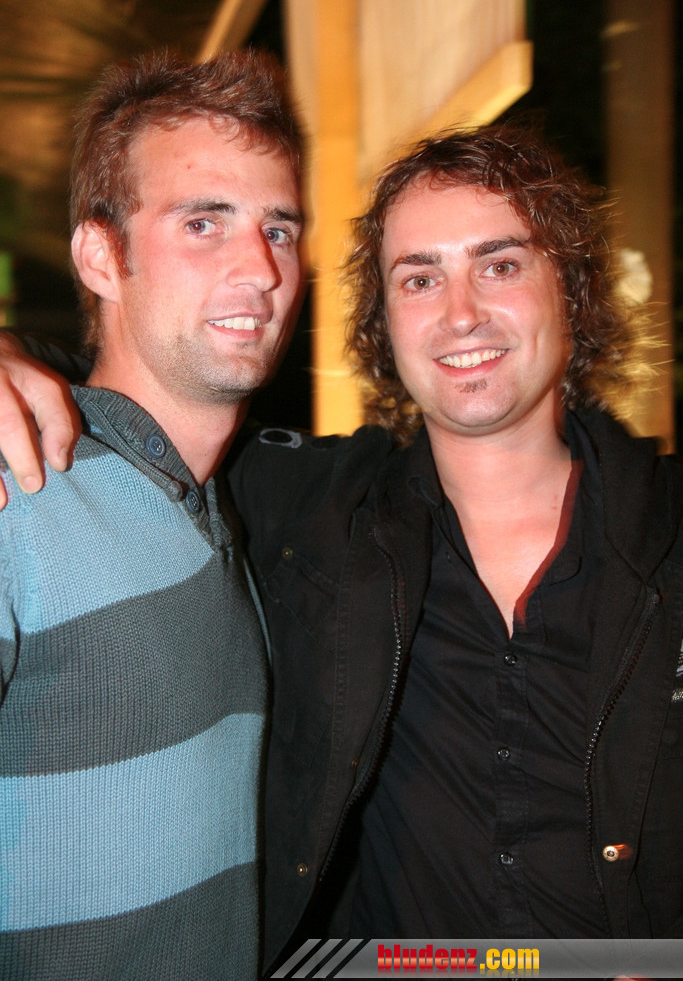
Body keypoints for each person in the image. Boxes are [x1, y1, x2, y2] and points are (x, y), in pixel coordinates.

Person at [1, 124, 682, 965]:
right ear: (383, 321)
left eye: (500, 265)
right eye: (419, 278)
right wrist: (10, 350)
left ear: (569, 291)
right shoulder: (311, 509)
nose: (460, 313)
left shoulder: (666, 532)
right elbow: (144, 383)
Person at [0, 49, 304, 981]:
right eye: (203, 222)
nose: (259, 266)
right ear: (102, 256)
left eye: (279, 228)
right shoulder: (19, 490)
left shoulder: (230, 506)